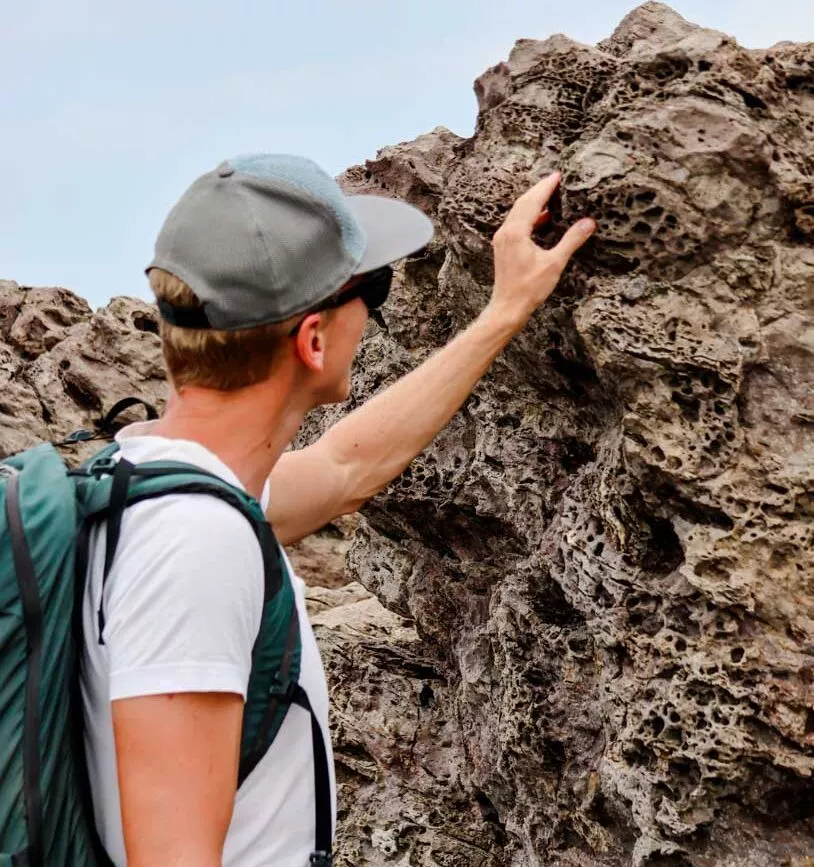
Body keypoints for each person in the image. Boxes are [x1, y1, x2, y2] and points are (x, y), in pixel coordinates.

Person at [80, 153, 595, 867]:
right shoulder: (194, 543)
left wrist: (504, 312)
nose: (374, 314)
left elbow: (343, 468)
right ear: (312, 340)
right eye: (372, 289)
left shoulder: (151, 480)